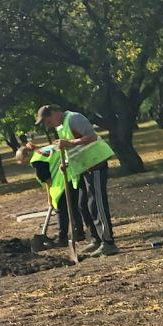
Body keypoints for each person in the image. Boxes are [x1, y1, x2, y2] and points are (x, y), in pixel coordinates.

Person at [35, 105, 117, 256]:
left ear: (53, 113)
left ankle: (108, 242)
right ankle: (95, 239)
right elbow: (72, 148)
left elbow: (91, 137)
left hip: (96, 163)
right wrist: (65, 162)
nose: (47, 125)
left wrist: (69, 143)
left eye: (47, 121)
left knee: (97, 204)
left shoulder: (74, 118)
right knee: (83, 205)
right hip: (83, 168)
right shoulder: (61, 126)